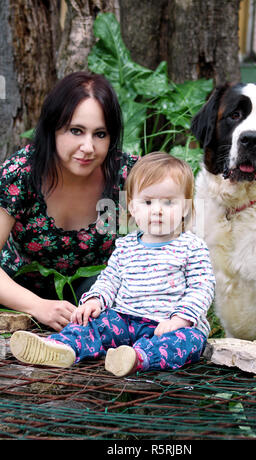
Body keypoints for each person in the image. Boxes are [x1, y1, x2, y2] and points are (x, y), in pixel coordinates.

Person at [10, 153, 215, 377]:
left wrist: (181, 318)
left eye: (168, 202)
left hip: (166, 326)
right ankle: (62, 347)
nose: (157, 210)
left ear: (185, 208)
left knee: (191, 341)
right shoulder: (126, 246)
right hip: (124, 319)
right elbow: (109, 279)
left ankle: (138, 358)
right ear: (133, 208)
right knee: (94, 324)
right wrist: (95, 299)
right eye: (147, 202)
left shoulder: (192, 247)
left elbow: (201, 288)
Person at [0, 71, 137, 331]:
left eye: (100, 134)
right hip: (17, 291)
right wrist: (38, 306)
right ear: (53, 128)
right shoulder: (22, 174)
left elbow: (176, 231)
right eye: (76, 131)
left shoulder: (123, 176)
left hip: (93, 301)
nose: (88, 147)